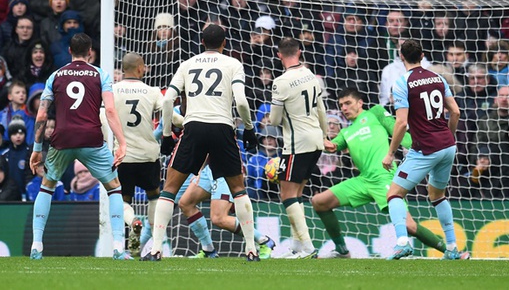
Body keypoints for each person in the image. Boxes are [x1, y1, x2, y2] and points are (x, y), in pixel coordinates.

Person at [147, 24, 260, 261]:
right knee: (239, 189)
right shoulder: (233, 64)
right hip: (222, 128)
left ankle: (156, 249)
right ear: (224, 43)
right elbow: (240, 101)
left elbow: (168, 100)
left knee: (169, 190)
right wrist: (249, 129)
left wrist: (167, 134)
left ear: (201, 42)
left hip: (194, 127)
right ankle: (251, 248)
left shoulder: (187, 64)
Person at [312, 88, 463, 259]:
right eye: (341, 105)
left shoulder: (375, 113)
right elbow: (332, 147)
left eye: (348, 103)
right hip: (363, 181)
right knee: (319, 202)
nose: (344, 108)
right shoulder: (346, 132)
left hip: (385, 177)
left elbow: (396, 129)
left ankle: (450, 252)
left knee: (410, 226)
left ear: (360, 102)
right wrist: (317, 137)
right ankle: (342, 250)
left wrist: (420, 146)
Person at [28, 33, 130, 260]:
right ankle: (118, 247)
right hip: (91, 138)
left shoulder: (56, 75)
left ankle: (37, 244)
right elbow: (111, 111)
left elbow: (42, 113)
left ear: (69, 51)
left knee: (47, 186)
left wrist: (36, 148)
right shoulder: (100, 74)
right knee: (113, 187)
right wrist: (121, 142)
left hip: (62, 138)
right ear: (90, 52)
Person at [381, 39, 467, 260]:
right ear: (423, 55)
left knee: (394, 194)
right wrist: (448, 136)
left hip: (425, 148)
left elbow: (401, 123)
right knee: (437, 195)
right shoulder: (438, 78)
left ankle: (402, 242)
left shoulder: (402, 83)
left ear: (401, 57)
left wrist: (390, 153)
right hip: (447, 145)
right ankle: (452, 248)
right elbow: (455, 112)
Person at [112, 52, 183, 256]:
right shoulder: (151, 91)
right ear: (140, 68)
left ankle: (132, 221)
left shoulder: (113, 90)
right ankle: (155, 240)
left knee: (124, 199)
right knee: (154, 195)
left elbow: (103, 115)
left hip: (123, 155)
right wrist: (185, 122)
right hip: (148, 154)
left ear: (123, 69)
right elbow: (170, 113)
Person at [269, 37, 328, 259]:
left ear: (279, 55)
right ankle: (297, 247)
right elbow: (321, 109)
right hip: (315, 141)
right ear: (300, 52)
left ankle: (309, 247)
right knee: (297, 193)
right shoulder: (311, 76)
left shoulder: (280, 82)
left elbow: (274, 120)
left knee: (287, 195)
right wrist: (325, 135)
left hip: (296, 144)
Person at [175, 164, 276, 259]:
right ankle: (208, 250)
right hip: (207, 168)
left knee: (219, 218)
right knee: (185, 203)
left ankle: (264, 241)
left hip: (223, 169)